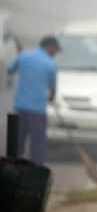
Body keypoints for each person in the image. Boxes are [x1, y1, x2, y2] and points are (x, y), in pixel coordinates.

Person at [7, 36, 60, 165]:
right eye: (55, 50)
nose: (55, 53)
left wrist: (21, 57)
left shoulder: (24, 56)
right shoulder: (51, 64)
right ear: (49, 47)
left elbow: (9, 69)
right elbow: (52, 89)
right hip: (38, 110)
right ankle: (37, 173)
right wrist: (51, 98)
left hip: (20, 108)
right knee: (37, 144)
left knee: (17, 144)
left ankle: (12, 170)